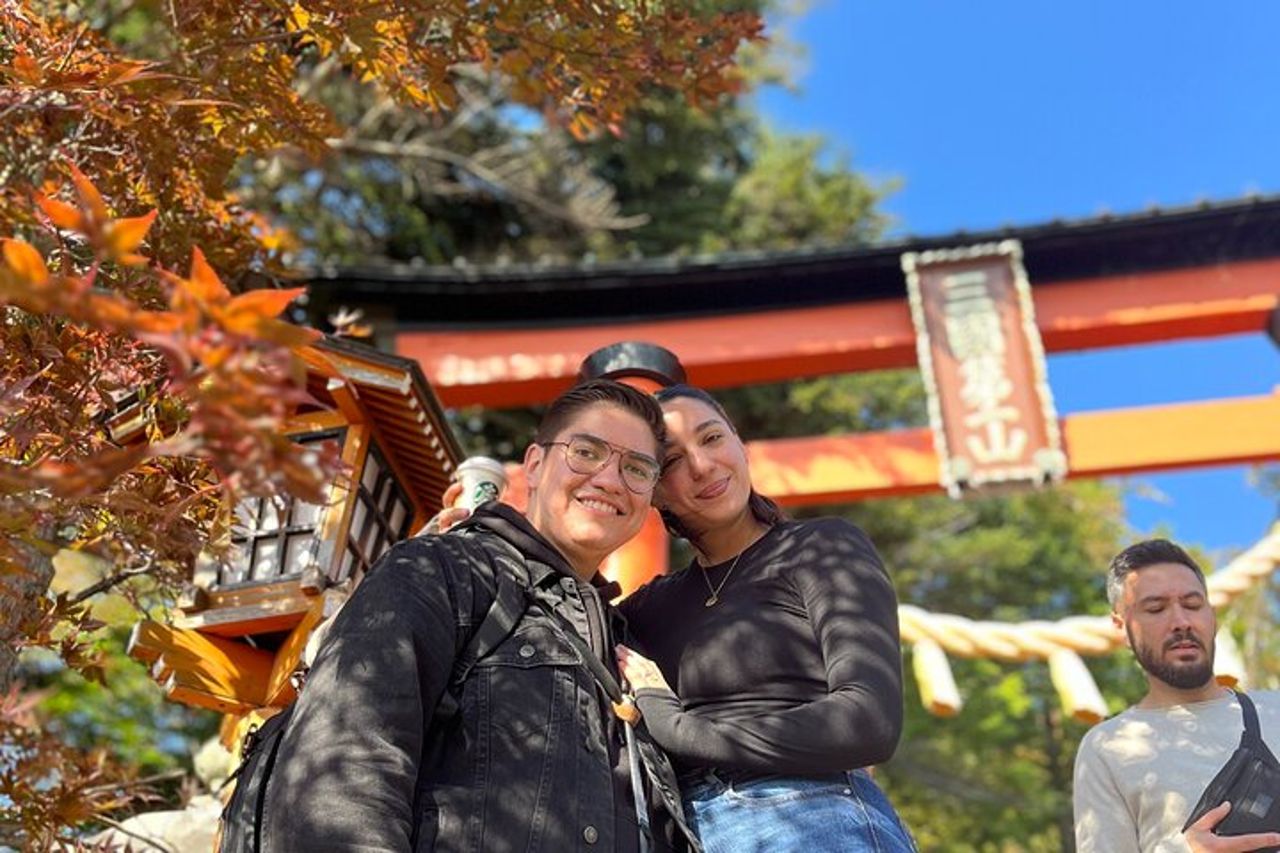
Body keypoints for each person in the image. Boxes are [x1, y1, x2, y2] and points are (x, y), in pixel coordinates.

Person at [263, 379, 699, 852]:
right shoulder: (445, 570)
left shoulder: (628, 650)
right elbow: (342, 764)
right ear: (534, 464)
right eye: (587, 452)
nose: (611, 480)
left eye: (636, 468)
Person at [615, 383, 915, 853]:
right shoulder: (645, 609)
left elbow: (867, 720)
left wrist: (683, 730)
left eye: (712, 438)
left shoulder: (820, 547)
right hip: (679, 832)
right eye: (672, 462)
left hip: (812, 817)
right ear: (652, 491)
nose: (702, 466)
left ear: (738, 442)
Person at [1072, 538, 1280, 853]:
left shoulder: (1275, 709)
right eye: (1156, 609)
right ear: (1121, 628)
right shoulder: (1107, 748)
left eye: (1193, 605)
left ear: (1212, 616)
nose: (1181, 622)